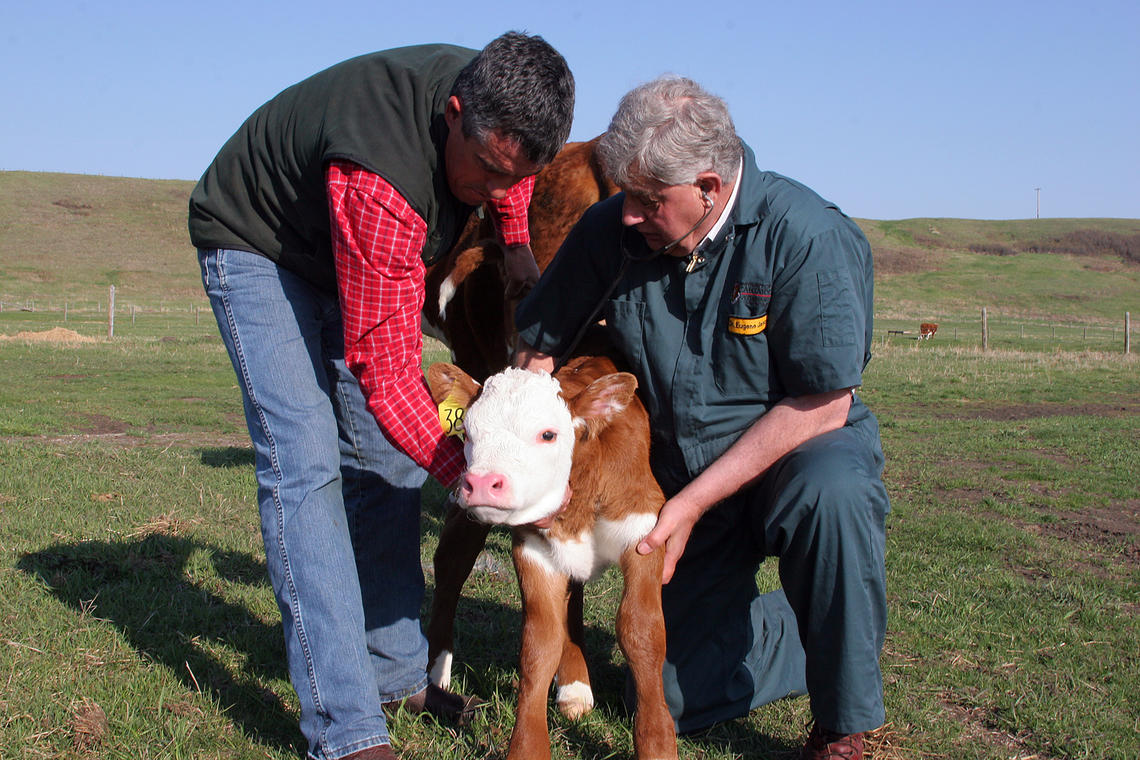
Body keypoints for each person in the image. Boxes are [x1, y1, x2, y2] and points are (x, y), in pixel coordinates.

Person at [188, 32, 574, 760]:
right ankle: (346, 729)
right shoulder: (384, 185)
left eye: (513, 177)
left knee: (387, 463)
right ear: (455, 114)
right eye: (486, 171)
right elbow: (388, 375)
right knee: (306, 465)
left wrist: (516, 244)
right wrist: (474, 476)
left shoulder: (507, 111)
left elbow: (515, 177)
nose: (496, 191)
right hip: (260, 244)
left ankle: (397, 674)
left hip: (348, 247)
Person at [514, 76, 888, 760]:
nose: (629, 214)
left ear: (710, 187)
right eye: (624, 193)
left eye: (648, 201)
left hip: (794, 458)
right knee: (668, 692)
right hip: (683, 473)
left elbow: (822, 403)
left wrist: (684, 508)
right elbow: (539, 348)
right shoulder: (614, 230)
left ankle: (843, 722)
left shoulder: (807, 236)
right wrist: (533, 462)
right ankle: (826, 628)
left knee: (832, 494)